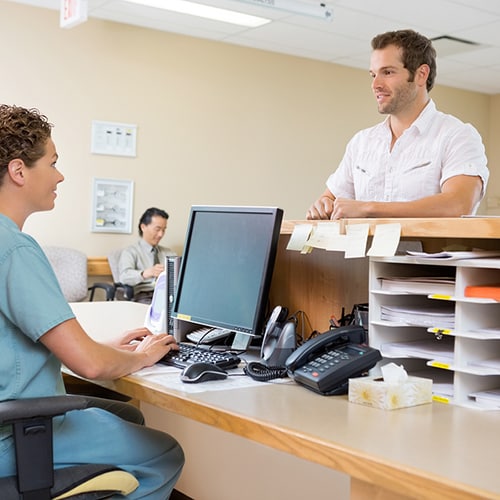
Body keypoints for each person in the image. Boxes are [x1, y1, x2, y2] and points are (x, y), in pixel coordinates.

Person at [0, 104, 184, 498]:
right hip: (15, 436)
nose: (60, 175)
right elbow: (90, 365)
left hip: (13, 414)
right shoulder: (14, 249)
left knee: (128, 413)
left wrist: (106, 349)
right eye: (52, 163)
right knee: (163, 451)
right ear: (19, 172)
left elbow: (44, 346)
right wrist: (142, 356)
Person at [307, 29, 489, 221]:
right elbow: (331, 197)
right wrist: (323, 205)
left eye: (387, 72)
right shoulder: (361, 142)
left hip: (426, 252)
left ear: (421, 74)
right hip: (364, 252)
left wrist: (369, 208)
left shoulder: (457, 135)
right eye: (373, 74)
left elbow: (458, 204)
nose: (375, 84)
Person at [119, 207, 176, 304]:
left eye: (164, 230)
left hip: (169, 295)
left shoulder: (169, 253)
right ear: (143, 227)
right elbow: (124, 277)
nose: (161, 234)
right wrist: (145, 273)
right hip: (145, 295)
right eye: (157, 229)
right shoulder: (131, 252)